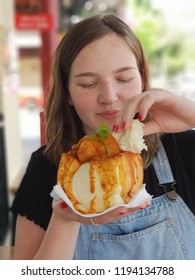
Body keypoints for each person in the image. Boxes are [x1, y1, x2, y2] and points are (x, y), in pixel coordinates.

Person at [12, 14, 195, 260]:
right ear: (67, 93)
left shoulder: (180, 148)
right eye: (88, 84)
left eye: (124, 78)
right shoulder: (44, 168)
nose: (109, 97)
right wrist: (64, 220)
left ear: (141, 79)